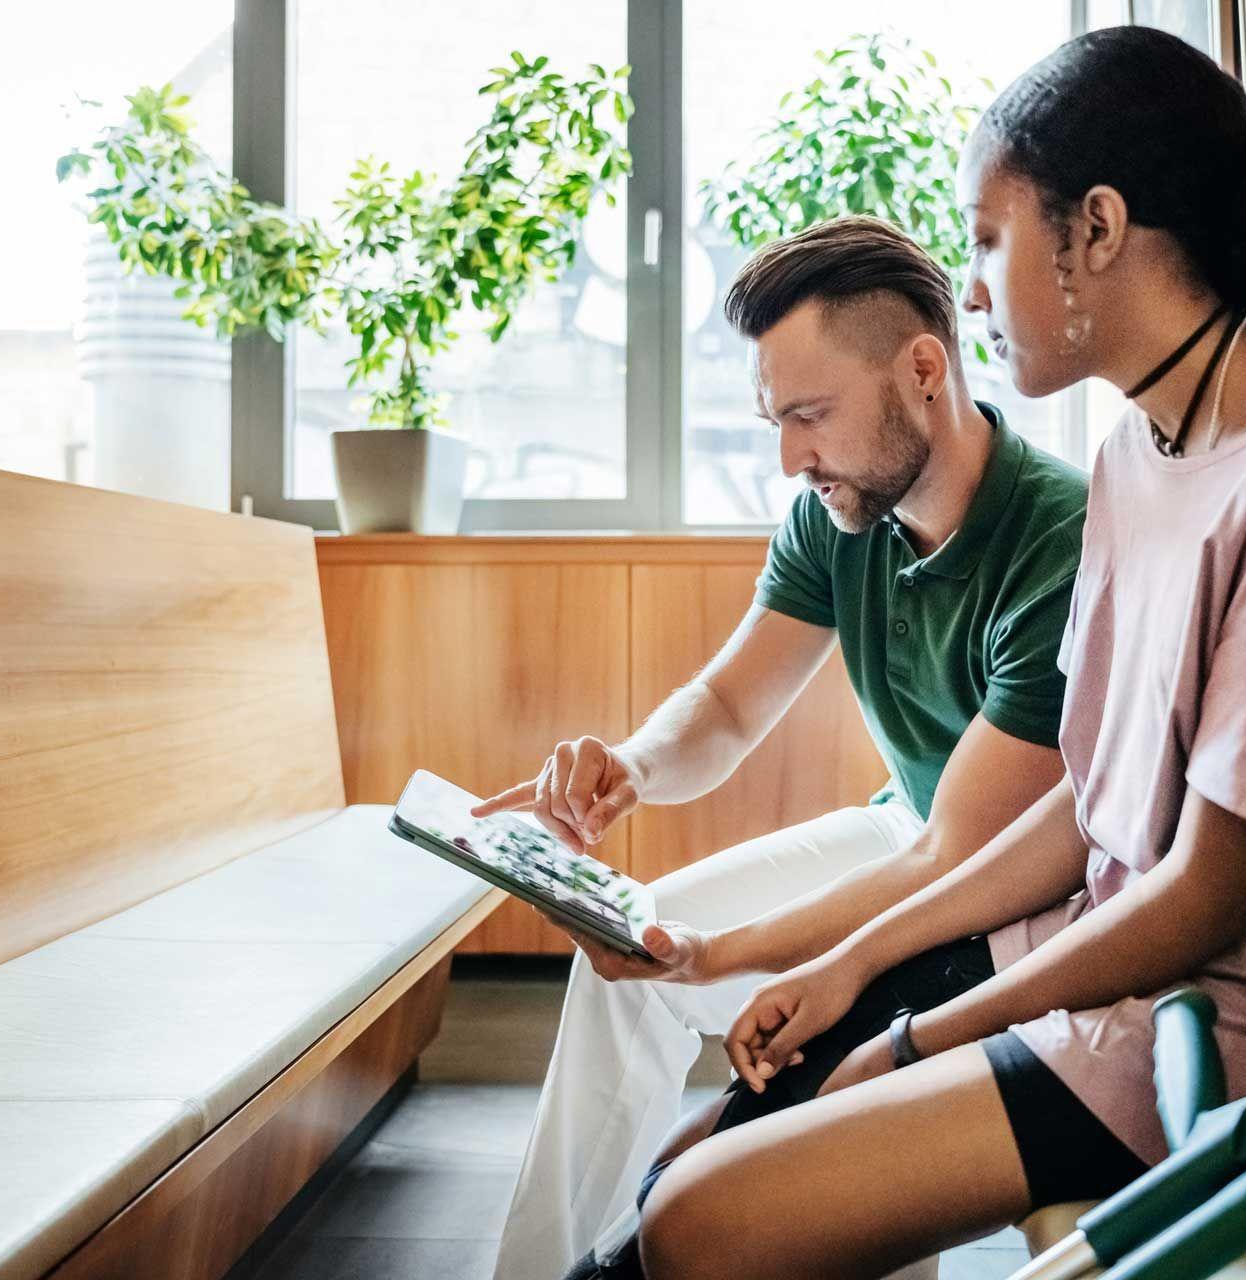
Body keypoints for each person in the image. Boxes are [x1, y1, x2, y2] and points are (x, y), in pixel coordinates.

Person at [580, 26, 1246, 1280]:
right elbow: (1094, 799)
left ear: (1098, 231)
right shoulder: (1141, 451)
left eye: (986, 238)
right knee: (692, 1162)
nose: (965, 292)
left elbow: (1214, 889)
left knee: (703, 1219)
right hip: (1134, 973)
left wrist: (916, 1036)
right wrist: (857, 961)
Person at [479, 215, 1093, 1280]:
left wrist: (724, 949)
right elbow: (723, 708)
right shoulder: (841, 512)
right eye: (774, 418)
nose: (788, 457)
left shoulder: (1061, 541)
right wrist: (632, 765)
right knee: (627, 974)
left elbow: (955, 864)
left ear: (922, 368)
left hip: (1011, 891)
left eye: (810, 414)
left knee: (827, 1116)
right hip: (908, 831)